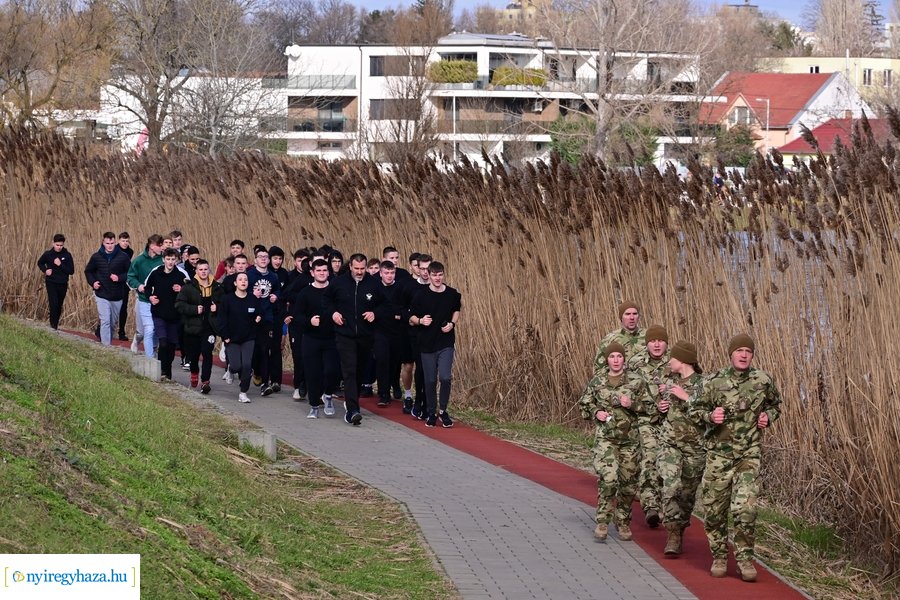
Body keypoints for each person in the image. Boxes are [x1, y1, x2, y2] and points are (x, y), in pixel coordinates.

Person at [688, 334, 782, 582]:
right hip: (719, 456)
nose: (743, 355)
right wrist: (711, 417)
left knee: (745, 509)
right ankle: (719, 556)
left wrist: (768, 417)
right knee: (714, 511)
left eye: (748, 351)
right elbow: (693, 410)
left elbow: (775, 405)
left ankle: (744, 560)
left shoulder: (762, 380)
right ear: (731, 354)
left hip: (748, 455)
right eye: (739, 351)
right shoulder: (714, 381)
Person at [578, 341, 650, 542]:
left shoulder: (636, 381)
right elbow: (584, 405)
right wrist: (596, 412)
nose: (616, 360)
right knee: (609, 479)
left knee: (628, 486)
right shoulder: (598, 381)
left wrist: (632, 404)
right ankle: (602, 520)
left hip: (630, 441)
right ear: (607, 360)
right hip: (606, 439)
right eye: (612, 357)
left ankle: (623, 520)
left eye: (619, 356)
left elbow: (650, 408)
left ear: (624, 359)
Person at [656, 340, 706, 557]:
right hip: (670, 444)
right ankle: (672, 533)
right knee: (670, 486)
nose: (669, 361)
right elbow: (661, 413)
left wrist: (686, 397)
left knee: (686, 494)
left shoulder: (704, 384)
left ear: (684, 359)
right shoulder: (669, 382)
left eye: (673, 357)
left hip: (695, 448)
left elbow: (708, 415)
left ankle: (680, 528)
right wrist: (661, 408)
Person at [325, 253, 386, 426]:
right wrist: (333, 313)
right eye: (356, 268)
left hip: (366, 336)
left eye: (362, 269)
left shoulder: (374, 284)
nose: (359, 272)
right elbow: (326, 300)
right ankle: (352, 410)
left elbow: (386, 305)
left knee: (360, 371)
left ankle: (352, 399)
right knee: (349, 370)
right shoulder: (338, 282)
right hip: (344, 334)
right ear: (350, 267)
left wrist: (375, 313)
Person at [408, 261, 461, 428]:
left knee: (445, 377)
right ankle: (431, 411)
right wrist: (421, 320)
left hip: (446, 342)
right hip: (426, 343)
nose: (437, 278)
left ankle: (443, 411)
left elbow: (456, 310)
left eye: (440, 275)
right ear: (428, 275)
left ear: (443, 275)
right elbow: (411, 317)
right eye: (434, 275)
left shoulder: (452, 294)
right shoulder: (421, 295)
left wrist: (452, 324)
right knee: (430, 380)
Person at [627, 324, 670, 528]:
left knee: (667, 465)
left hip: (671, 422)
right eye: (653, 341)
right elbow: (627, 394)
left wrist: (670, 396)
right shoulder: (635, 364)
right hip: (645, 420)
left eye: (660, 341)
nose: (657, 345)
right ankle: (651, 505)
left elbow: (692, 389)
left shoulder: (675, 363)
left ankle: (665, 503)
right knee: (650, 458)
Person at [292, 259, 340, 418]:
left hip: (332, 338)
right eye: (318, 270)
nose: (322, 273)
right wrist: (309, 321)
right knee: (312, 373)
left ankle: (328, 396)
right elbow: (297, 316)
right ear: (312, 273)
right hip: (311, 339)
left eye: (325, 270)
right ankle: (313, 405)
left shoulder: (334, 291)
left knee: (331, 371)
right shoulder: (305, 293)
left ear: (329, 272)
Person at [176, 259, 223, 393]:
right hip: (193, 326)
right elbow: (179, 304)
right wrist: (194, 309)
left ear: (209, 270)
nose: (203, 272)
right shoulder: (188, 287)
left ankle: (205, 381)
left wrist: (217, 307)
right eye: (200, 269)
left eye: (205, 269)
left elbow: (225, 304)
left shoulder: (217, 287)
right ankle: (194, 372)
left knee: (207, 353)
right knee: (194, 355)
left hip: (209, 327)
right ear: (196, 271)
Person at [218, 272, 262, 403]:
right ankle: (230, 370)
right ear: (235, 283)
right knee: (237, 366)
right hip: (232, 338)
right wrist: (225, 336)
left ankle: (243, 392)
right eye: (240, 279)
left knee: (247, 365)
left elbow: (259, 313)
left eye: (245, 280)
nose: (243, 282)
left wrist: (258, 318)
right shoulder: (227, 299)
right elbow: (222, 319)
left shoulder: (253, 299)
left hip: (248, 337)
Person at [145, 248, 189, 380]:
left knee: (171, 346)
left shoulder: (180, 275)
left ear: (177, 260)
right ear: (163, 259)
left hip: (175, 316)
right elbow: (147, 287)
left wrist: (181, 289)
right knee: (163, 342)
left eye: (173, 259)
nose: (170, 262)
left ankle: (167, 371)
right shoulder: (156, 273)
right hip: (159, 313)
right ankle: (161, 370)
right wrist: (150, 297)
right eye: (168, 259)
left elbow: (190, 291)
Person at [84, 232, 131, 346]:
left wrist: (119, 278)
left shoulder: (123, 257)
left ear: (115, 243)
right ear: (103, 243)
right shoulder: (96, 257)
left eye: (112, 243)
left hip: (117, 295)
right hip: (102, 293)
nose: (110, 246)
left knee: (112, 323)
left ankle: (107, 343)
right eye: (107, 243)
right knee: (105, 321)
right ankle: (106, 347)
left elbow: (131, 274)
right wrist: (93, 282)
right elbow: (88, 271)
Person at [247, 247, 282, 396]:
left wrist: (275, 296)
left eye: (265, 257)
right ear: (255, 260)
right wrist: (251, 294)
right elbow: (241, 292)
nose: (263, 259)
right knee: (255, 350)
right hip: (252, 317)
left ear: (268, 260)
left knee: (265, 349)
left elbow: (277, 290)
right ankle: (256, 371)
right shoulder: (249, 275)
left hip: (267, 317)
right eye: (260, 256)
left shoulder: (273, 276)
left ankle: (265, 384)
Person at [127, 234, 164, 356]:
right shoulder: (139, 260)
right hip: (143, 299)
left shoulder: (163, 260)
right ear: (152, 246)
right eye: (159, 245)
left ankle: (152, 352)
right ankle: (146, 352)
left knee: (155, 329)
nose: (162, 248)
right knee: (146, 329)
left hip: (159, 301)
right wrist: (139, 285)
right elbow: (130, 277)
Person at [37, 233, 75, 331]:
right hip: (51, 282)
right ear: (53, 243)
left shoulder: (67, 255)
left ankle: (55, 324)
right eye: (57, 245)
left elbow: (71, 271)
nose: (59, 247)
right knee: (53, 304)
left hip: (62, 283)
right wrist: (45, 270)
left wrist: (60, 264)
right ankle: (53, 326)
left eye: (61, 245)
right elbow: (40, 263)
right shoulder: (48, 254)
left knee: (59, 305)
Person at [116, 232, 134, 340]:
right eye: (123, 241)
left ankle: (121, 332)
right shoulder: (114, 250)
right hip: (113, 281)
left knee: (124, 307)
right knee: (112, 307)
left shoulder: (130, 252)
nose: (125, 243)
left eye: (127, 241)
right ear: (119, 241)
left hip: (124, 281)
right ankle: (102, 328)